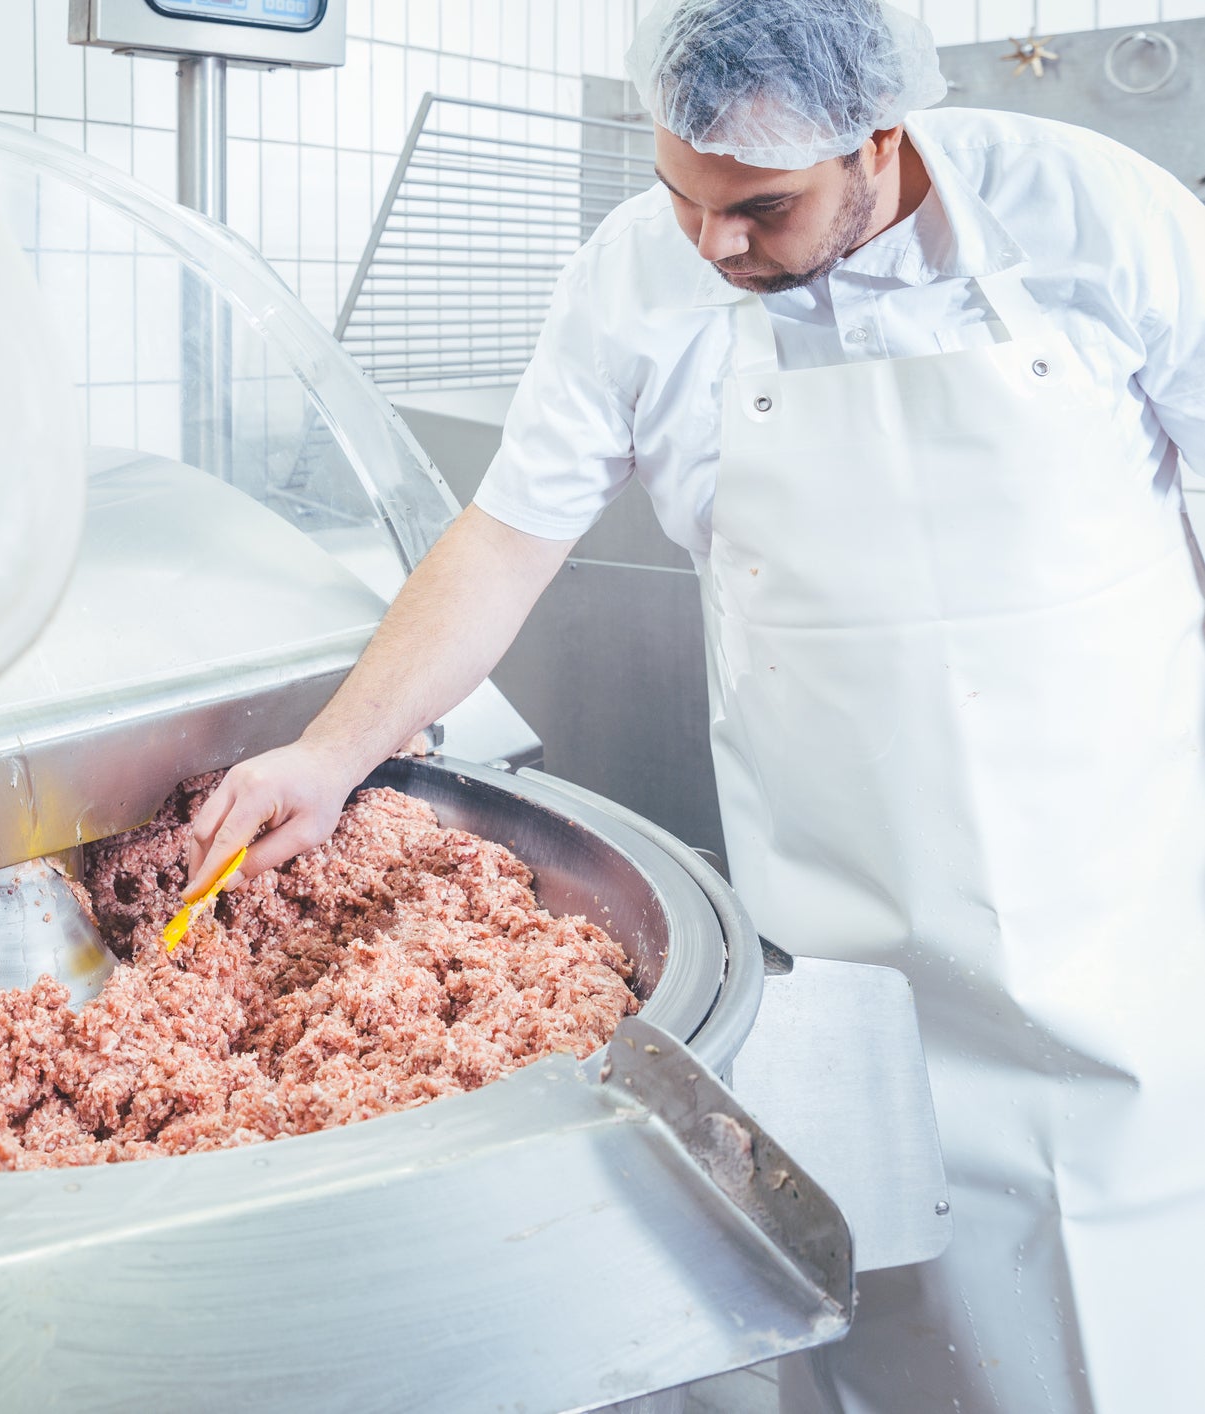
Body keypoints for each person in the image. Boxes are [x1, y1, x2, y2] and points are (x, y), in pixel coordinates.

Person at [184, 1, 1205, 1410]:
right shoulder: (633, 282)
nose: (713, 245)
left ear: (881, 139)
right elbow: (501, 540)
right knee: (877, 1280)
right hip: (847, 915)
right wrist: (332, 749)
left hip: (1119, 898)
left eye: (761, 210)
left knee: (1127, 1285)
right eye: (680, 195)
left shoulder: (1096, 218)